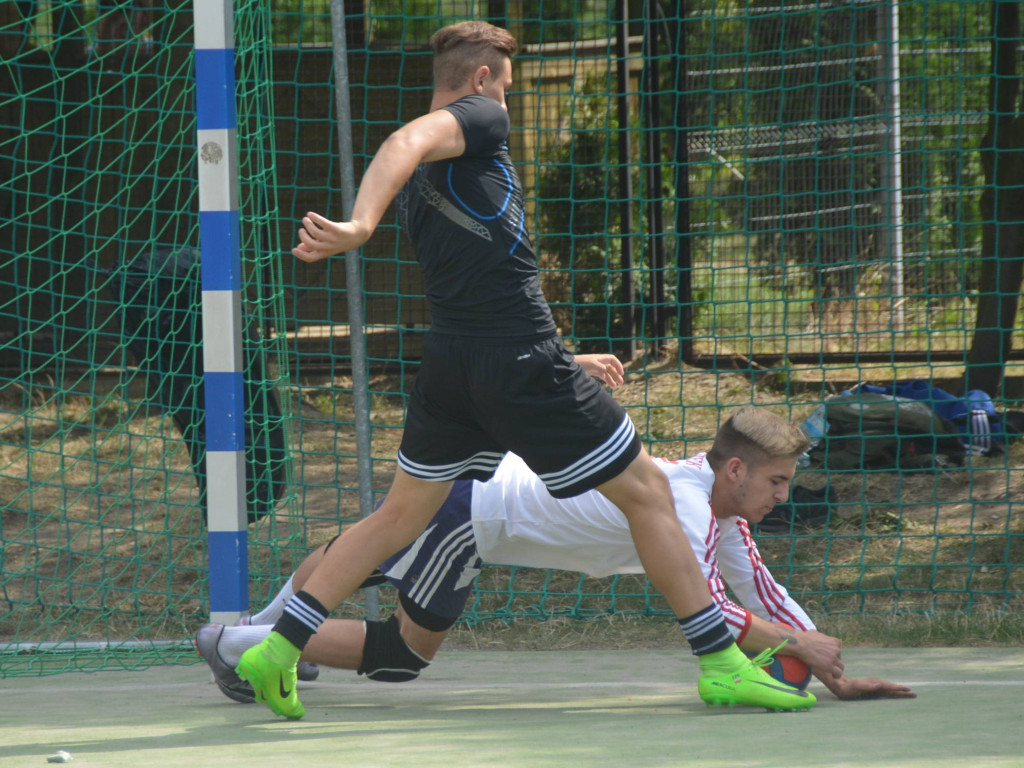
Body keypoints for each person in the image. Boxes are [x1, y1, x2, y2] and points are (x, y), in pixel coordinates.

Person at [236, 21, 815, 718]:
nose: (506, 105)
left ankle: (277, 647)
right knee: (649, 495)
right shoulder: (473, 119)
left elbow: (438, 205)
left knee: (394, 519)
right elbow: (405, 138)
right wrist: (360, 226)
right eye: (506, 89)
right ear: (481, 80)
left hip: (453, 364)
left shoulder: (430, 176)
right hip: (518, 359)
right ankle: (721, 665)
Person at [205, 408, 913, 705]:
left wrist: (828, 666)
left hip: (472, 488)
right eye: (776, 483)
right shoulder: (690, 509)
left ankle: (261, 640)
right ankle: (243, 643)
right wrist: (800, 646)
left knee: (357, 553)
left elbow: (759, 590)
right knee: (401, 656)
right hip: (472, 514)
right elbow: (716, 614)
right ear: (735, 472)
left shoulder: (713, 510)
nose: (782, 497)